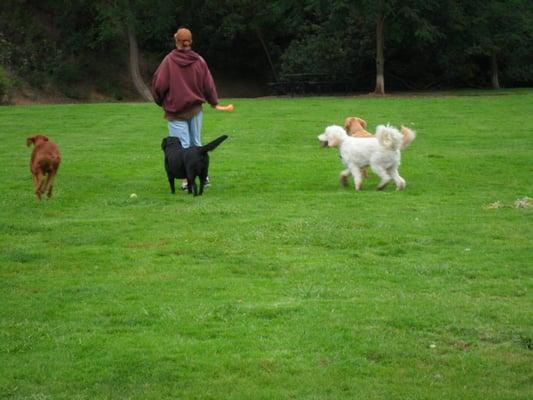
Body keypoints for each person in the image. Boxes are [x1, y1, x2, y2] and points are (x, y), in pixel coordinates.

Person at [152, 27, 220, 189]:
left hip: (175, 111)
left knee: (182, 146)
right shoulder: (199, 60)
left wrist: (160, 101)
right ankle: (204, 177)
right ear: (190, 41)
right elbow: (208, 84)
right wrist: (213, 101)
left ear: (177, 42)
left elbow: (159, 85)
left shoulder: (169, 61)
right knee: (196, 144)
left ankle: (186, 180)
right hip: (195, 109)